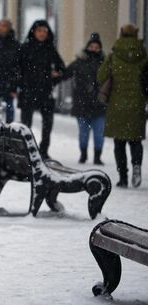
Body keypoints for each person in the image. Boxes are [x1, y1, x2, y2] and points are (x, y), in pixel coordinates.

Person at [98, 24, 146, 188]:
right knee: (135, 140)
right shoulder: (143, 54)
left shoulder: (113, 55)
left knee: (119, 143)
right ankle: (137, 166)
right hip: (137, 103)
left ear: (121, 34)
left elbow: (101, 76)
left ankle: (123, 177)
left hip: (116, 104)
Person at [17, 20, 66, 159]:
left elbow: (62, 68)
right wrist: (19, 84)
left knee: (48, 124)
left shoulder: (50, 49)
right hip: (28, 90)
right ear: (34, 32)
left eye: (45, 31)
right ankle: (26, 149)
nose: (42, 34)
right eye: (39, 31)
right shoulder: (25, 48)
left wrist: (54, 78)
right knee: (26, 124)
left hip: (46, 91)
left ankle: (44, 150)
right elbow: (16, 69)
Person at [63, 33, 106, 164]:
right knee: (83, 133)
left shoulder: (104, 63)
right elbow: (66, 73)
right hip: (82, 103)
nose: (93, 49)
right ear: (87, 47)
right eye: (91, 46)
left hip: (99, 104)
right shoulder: (79, 62)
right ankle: (84, 154)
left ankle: (97, 156)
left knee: (99, 133)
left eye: (96, 47)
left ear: (100, 48)